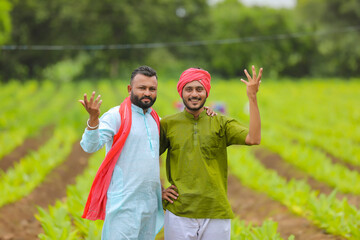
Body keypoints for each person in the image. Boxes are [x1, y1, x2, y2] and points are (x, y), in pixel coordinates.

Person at [160, 66, 263, 240]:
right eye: (189, 89)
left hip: (215, 211)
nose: (194, 94)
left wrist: (252, 97)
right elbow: (148, 156)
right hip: (179, 212)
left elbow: (253, 138)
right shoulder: (168, 124)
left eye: (199, 89)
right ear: (181, 92)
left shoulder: (220, 122)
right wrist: (159, 190)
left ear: (206, 92)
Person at [79, 66, 164, 240]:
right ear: (130, 89)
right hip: (123, 204)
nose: (147, 93)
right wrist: (94, 119)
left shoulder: (156, 120)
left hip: (150, 205)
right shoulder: (116, 116)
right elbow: (89, 146)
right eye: (142, 88)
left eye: (152, 89)